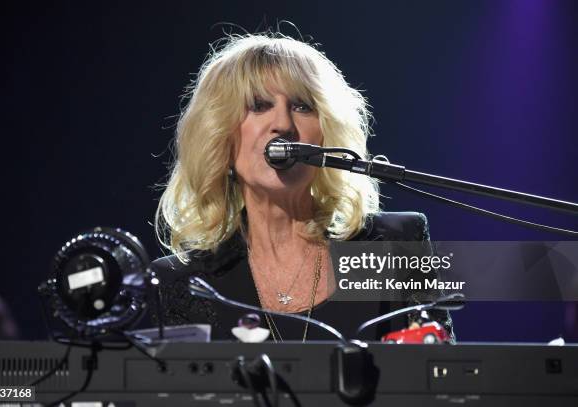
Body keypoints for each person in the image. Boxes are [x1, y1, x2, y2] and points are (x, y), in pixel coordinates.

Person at [154, 32, 453, 342]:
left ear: (326, 133)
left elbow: (443, 378)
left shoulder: (393, 245)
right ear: (220, 137)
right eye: (259, 105)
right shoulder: (181, 283)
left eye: (302, 106)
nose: (283, 124)